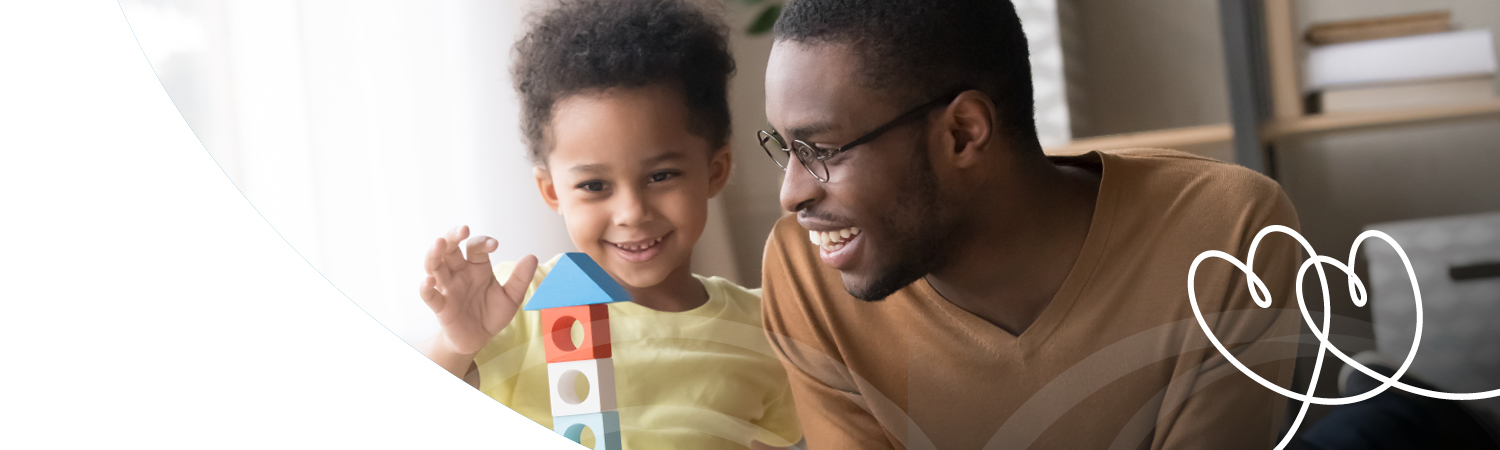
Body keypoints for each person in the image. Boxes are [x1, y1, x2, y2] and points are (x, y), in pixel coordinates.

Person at [755, 0, 1304, 448]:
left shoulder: (1228, 232)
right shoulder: (806, 271)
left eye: (822, 149)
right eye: (785, 148)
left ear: (964, 133)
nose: (792, 194)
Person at [415, 1, 800, 448]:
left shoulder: (765, 330)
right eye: (595, 185)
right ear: (552, 192)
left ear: (715, 171)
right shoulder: (509, 307)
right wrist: (456, 343)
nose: (632, 212)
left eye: (661, 176)